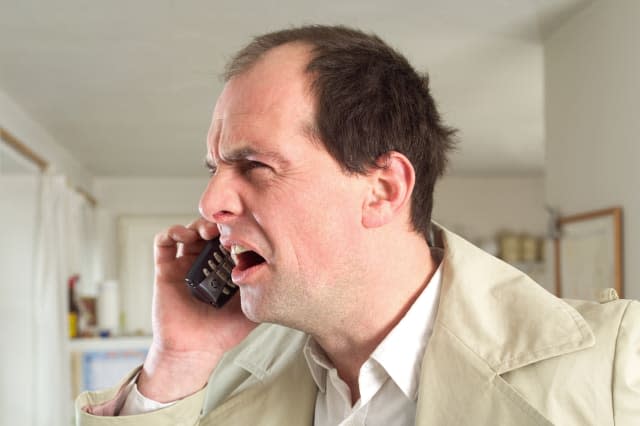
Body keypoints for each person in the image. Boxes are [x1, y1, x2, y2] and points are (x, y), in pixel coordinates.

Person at [76, 25, 640, 425]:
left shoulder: (617, 366)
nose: (210, 201)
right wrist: (177, 362)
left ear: (383, 189)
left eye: (255, 166)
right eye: (216, 168)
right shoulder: (213, 382)